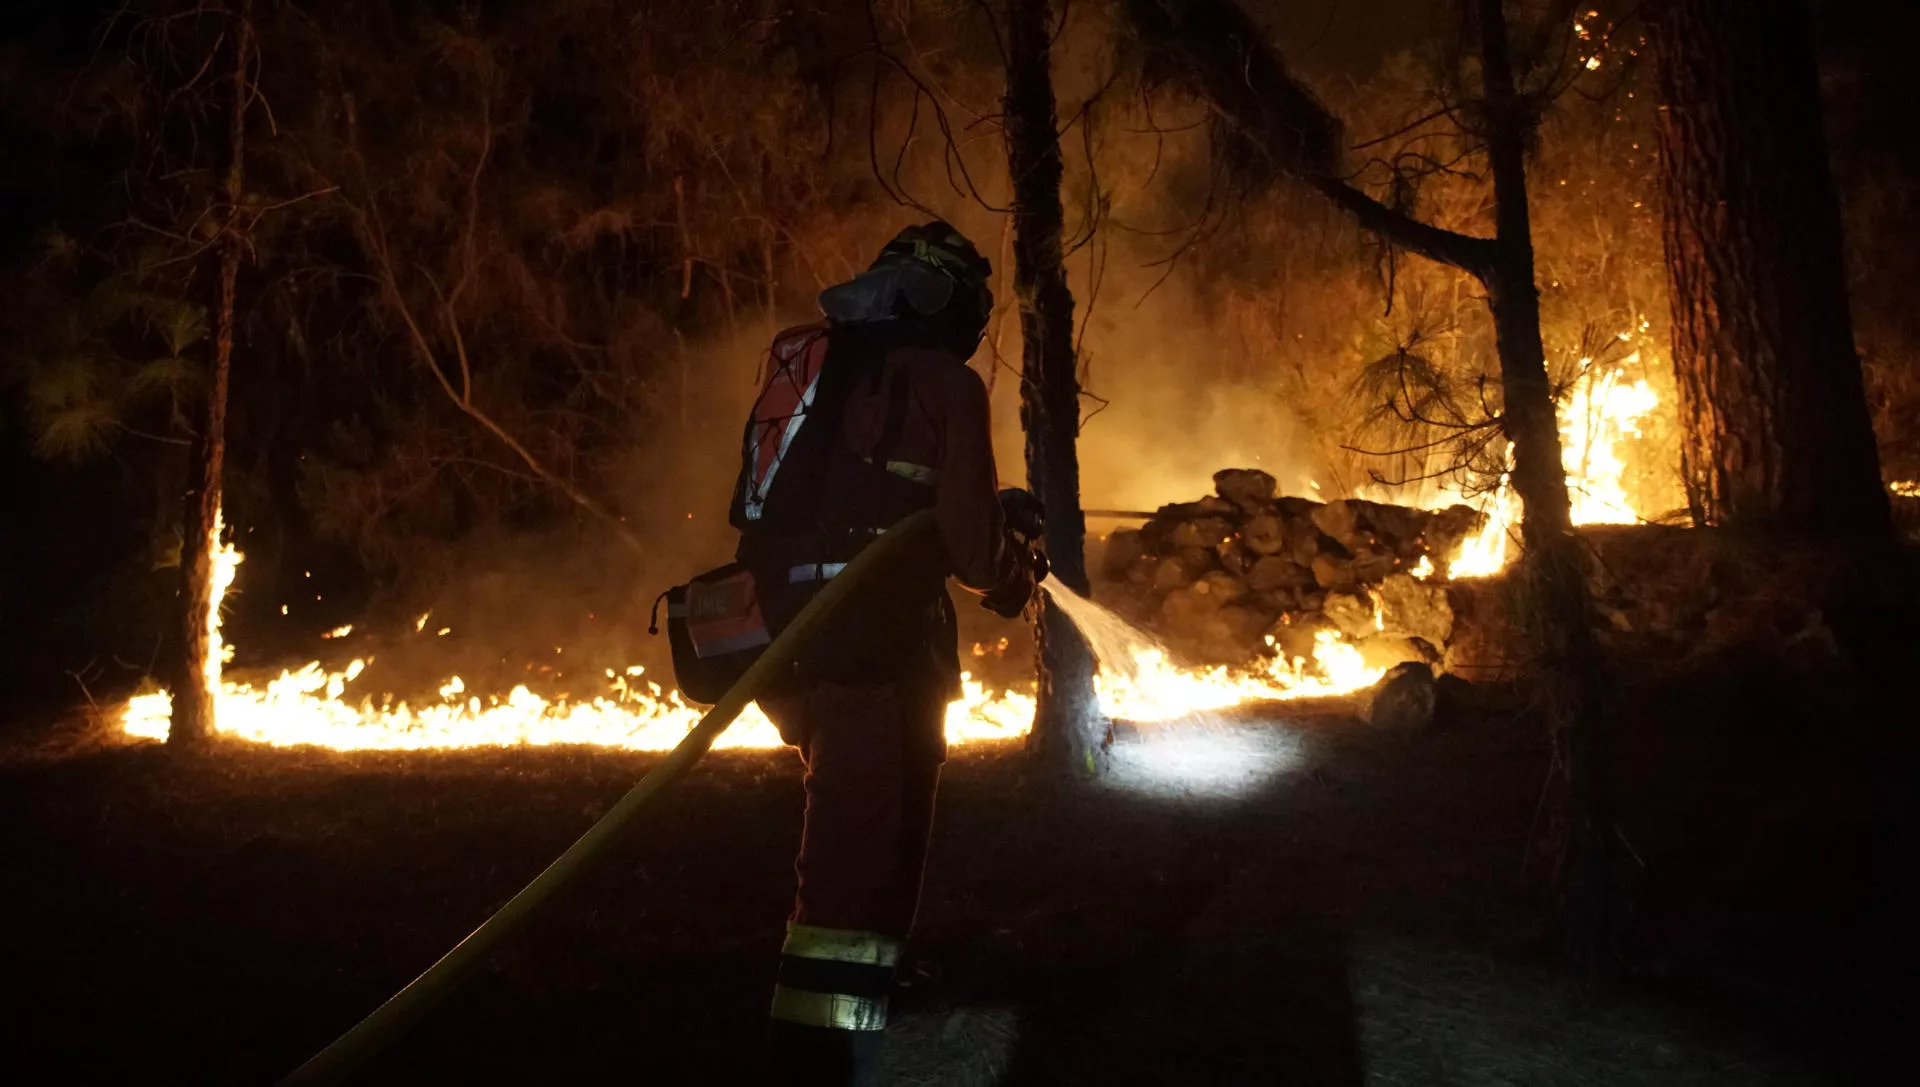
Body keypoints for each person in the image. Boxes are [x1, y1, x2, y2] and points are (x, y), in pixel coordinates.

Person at [727, 221, 1043, 1085]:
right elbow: (977, 556)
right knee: (857, 863)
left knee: (875, 838)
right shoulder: (946, 381)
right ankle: (815, 1059)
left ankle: (871, 1003)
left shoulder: (814, 363)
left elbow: (849, 502)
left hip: (792, 636)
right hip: (874, 651)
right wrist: (1017, 561)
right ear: (954, 304)